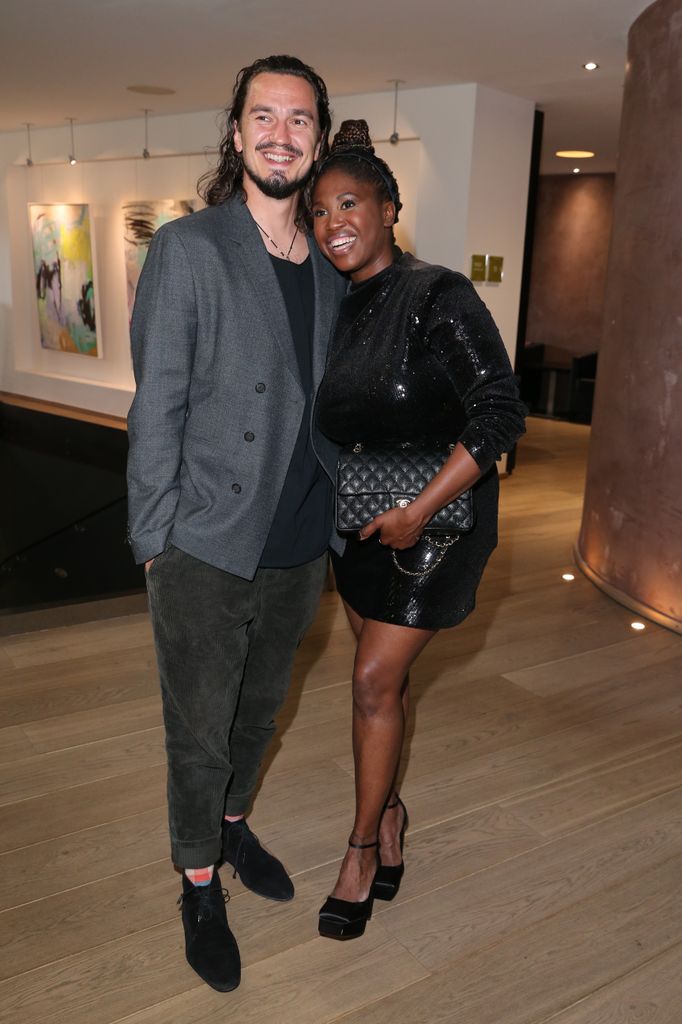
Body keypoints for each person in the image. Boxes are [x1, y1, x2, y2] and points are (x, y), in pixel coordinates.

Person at [126, 56, 346, 991]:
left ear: (320, 140)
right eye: (264, 115)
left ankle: (232, 824)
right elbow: (156, 405)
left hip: (300, 544)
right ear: (236, 133)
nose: (281, 134)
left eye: (299, 119)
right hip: (205, 545)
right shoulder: (192, 249)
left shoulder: (337, 269)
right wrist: (155, 543)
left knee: (260, 716)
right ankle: (199, 882)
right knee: (199, 733)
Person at [310, 120, 527, 940]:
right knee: (382, 688)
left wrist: (420, 509)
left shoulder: (436, 293)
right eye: (321, 209)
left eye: (351, 203)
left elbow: (501, 411)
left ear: (389, 208)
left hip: (435, 522)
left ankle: (362, 849)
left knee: (370, 681)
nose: (335, 221)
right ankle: (392, 811)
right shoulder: (335, 308)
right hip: (362, 524)